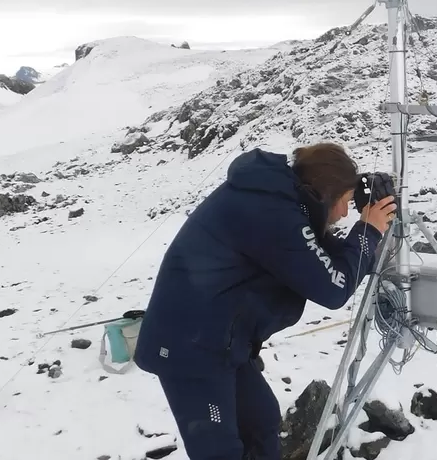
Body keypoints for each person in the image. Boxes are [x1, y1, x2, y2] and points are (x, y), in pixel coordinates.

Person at [133, 143, 396, 460]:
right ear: (324, 193)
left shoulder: (280, 200)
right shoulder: (270, 212)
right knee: (220, 450)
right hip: (191, 349)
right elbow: (332, 287)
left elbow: (322, 258)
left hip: (219, 341)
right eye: (343, 201)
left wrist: (368, 230)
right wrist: (366, 232)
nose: (343, 213)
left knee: (261, 422)